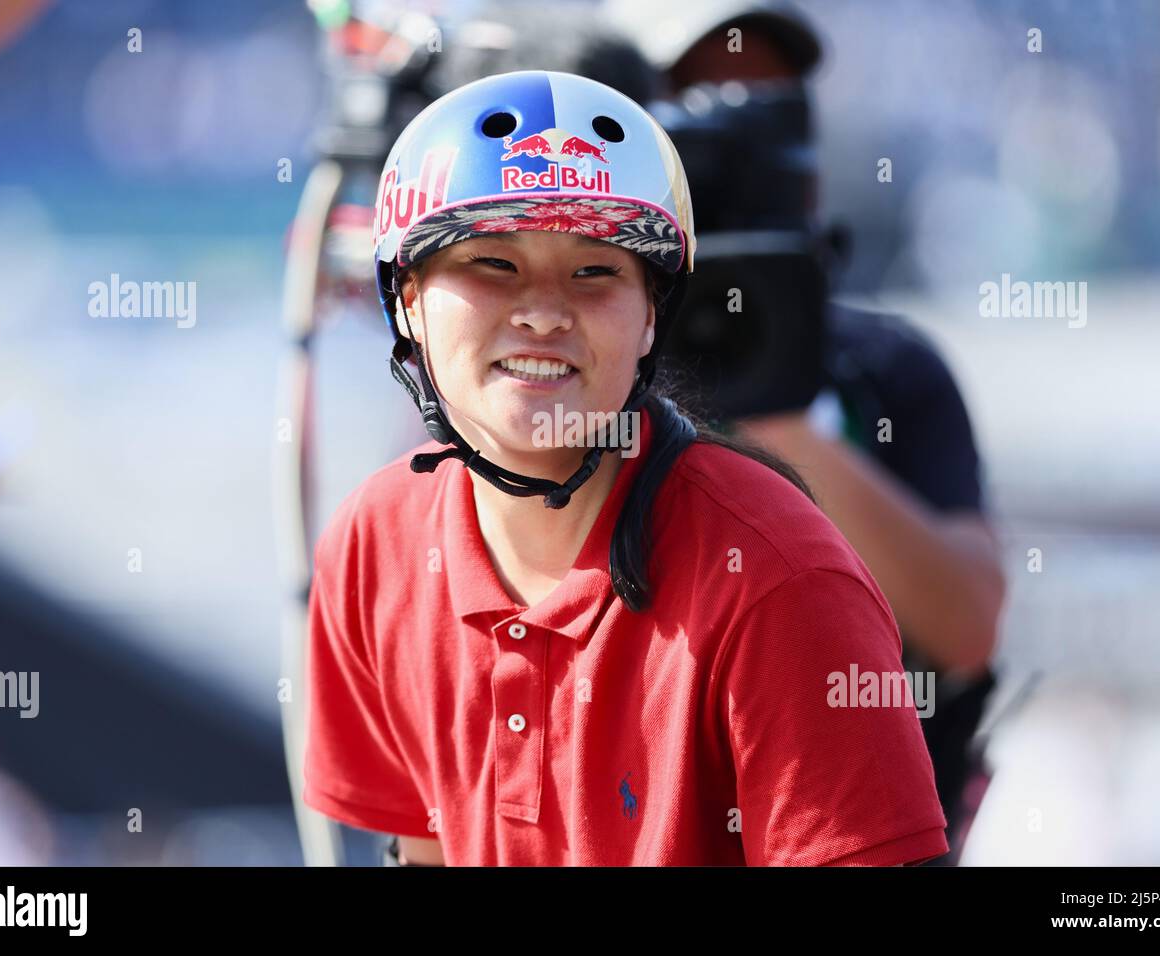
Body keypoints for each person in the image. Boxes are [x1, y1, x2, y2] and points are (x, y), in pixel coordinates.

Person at [301, 68, 949, 866]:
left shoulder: (779, 582)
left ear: (653, 317)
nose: (543, 311)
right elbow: (425, 851)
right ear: (406, 301)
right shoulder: (374, 546)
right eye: (492, 265)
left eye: (595, 271)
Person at [602, 0, 1007, 863]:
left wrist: (777, 414)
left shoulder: (884, 368)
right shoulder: (580, 366)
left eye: (773, 107)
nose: (744, 138)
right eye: (702, 108)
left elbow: (966, 628)